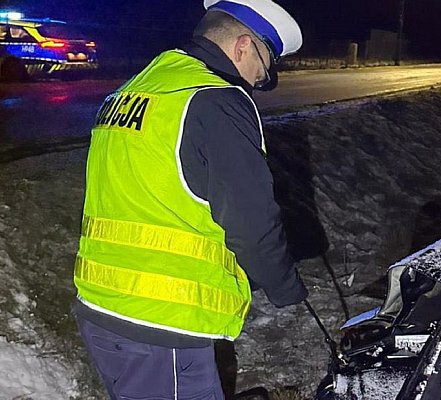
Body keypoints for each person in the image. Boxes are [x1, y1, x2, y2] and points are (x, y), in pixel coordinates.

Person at [72, 0, 308, 399]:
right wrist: (285, 287)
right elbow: (252, 226)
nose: (257, 80)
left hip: (101, 303)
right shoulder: (216, 100)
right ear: (243, 47)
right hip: (162, 321)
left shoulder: (138, 88)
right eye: (264, 68)